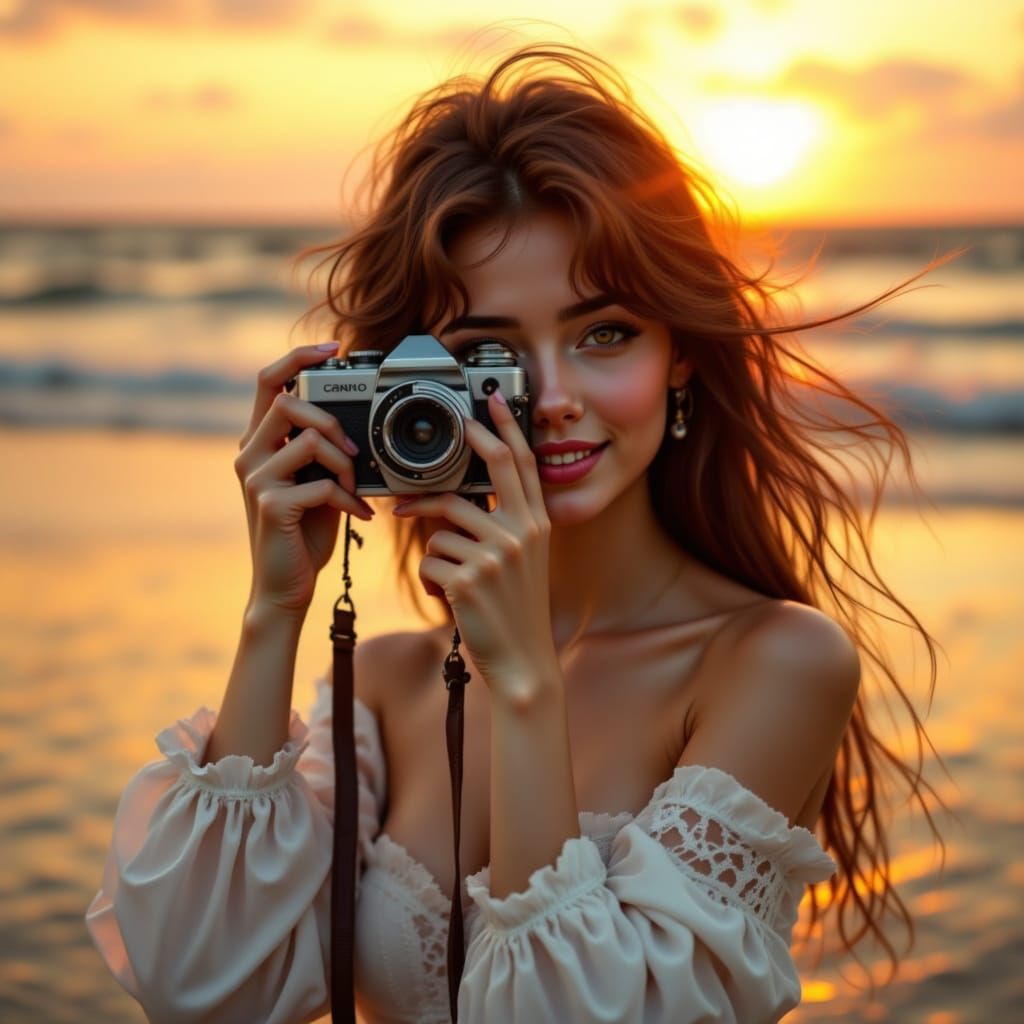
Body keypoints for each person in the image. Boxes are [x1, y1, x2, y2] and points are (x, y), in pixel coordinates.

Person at [84, 42, 946, 1024]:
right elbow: (206, 988)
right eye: (487, 353)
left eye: (604, 333)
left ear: (681, 359)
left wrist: (526, 683)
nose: (551, 400)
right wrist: (274, 608)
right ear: (417, 390)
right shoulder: (386, 687)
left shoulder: (773, 661)